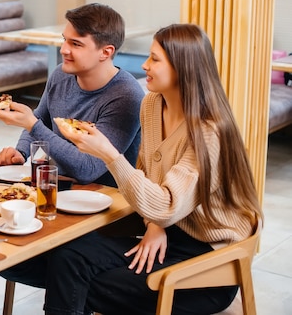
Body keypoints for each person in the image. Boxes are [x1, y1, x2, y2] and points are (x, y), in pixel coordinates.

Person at [31, 24, 264, 314]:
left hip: (211, 258)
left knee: (80, 282)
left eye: (154, 59)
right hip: (169, 232)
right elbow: (150, 180)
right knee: (68, 257)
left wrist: (109, 154)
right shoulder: (153, 104)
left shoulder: (208, 132)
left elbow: (166, 204)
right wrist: (155, 226)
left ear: (182, 68)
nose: (144, 65)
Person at [0, 3, 145, 187]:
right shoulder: (61, 74)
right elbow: (41, 118)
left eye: (75, 44)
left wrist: (31, 125)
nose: (64, 50)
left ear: (105, 52)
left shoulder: (126, 97)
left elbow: (88, 169)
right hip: (57, 186)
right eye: (65, 40)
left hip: (104, 198)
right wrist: (21, 152)